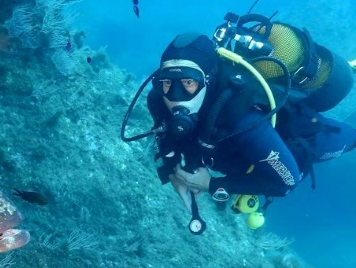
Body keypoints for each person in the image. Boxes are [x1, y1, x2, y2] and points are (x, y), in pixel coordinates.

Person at [146, 26, 356, 227]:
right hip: (242, 152)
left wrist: (212, 185)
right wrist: (172, 171)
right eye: (167, 82)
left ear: (207, 80)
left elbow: (286, 183)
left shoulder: (242, 120)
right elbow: (168, 135)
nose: (175, 96)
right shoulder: (157, 99)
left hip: (303, 137)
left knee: (350, 138)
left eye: (188, 83)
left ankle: (347, 70)